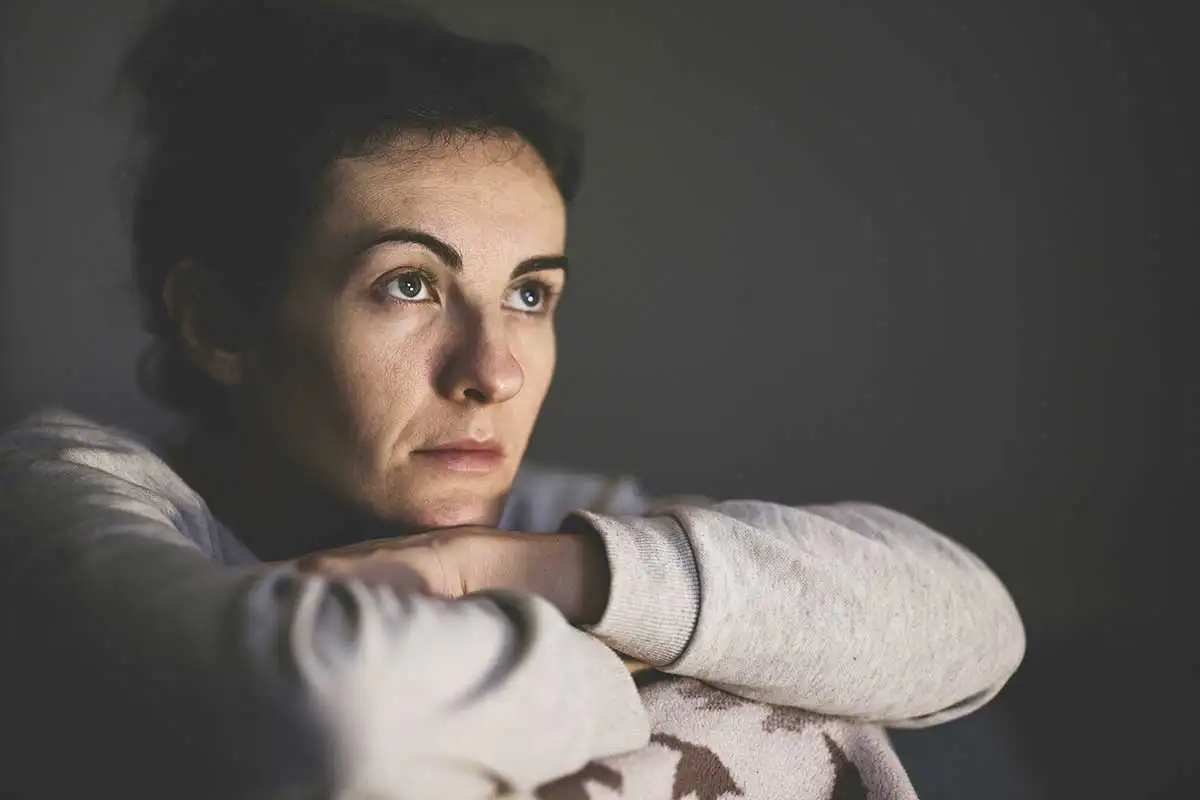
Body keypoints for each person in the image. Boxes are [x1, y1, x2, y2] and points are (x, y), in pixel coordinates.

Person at [0, 1, 1026, 797]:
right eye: (409, 284)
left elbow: (975, 628)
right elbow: (336, 709)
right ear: (219, 322)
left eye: (531, 293)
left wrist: (542, 570)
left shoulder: (542, 521)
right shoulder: (60, 496)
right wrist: (626, 652)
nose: (493, 368)